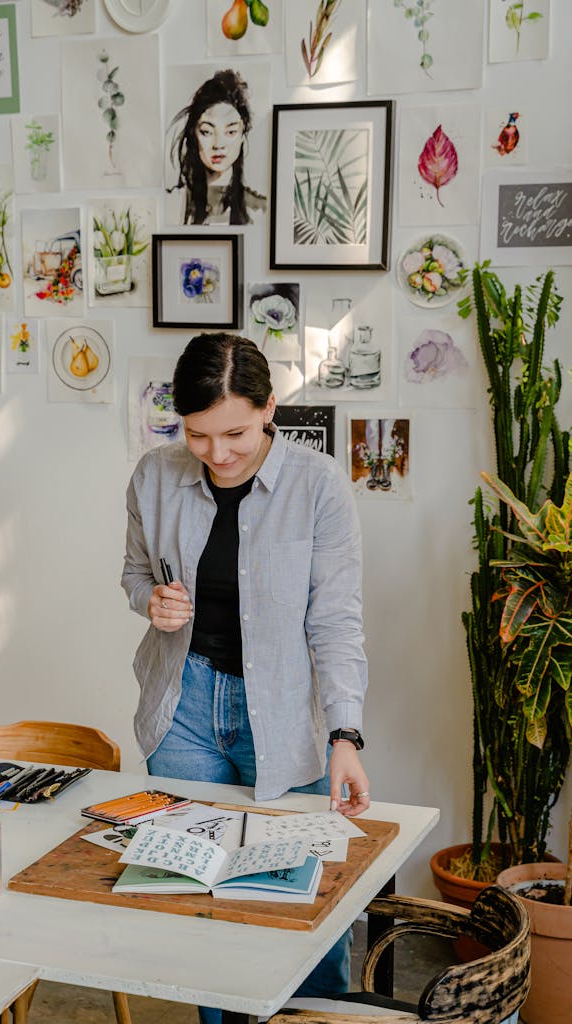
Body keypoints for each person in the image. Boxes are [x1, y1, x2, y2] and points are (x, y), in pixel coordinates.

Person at [122, 333, 369, 1024]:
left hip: (284, 712)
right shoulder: (154, 475)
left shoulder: (318, 487)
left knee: (300, 897)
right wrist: (151, 601)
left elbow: (337, 623)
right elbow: (135, 572)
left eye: (235, 432)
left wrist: (345, 734)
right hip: (185, 707)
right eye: (198, 435)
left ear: (268, 409)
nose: (219, 454)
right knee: (197, 900)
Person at [167, 69, 267, 225]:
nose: (219, 144)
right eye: (207, 132)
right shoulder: (174, 204)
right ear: (194, 134)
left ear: (243, 135)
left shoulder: (260, 209)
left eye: (231, 131)